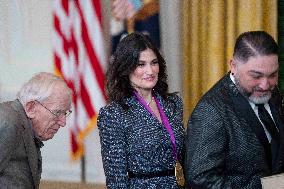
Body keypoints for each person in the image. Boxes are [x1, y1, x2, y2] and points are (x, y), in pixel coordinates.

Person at [184, 31, 284, 189]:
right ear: (233, 66)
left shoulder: (273, 92)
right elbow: (200, 179)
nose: (265, 85)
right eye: (256, 76)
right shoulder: (211, 110)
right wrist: (268, 186)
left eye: (273, 75)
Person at [98, 32, 185, 188]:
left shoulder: (173, 104)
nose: (150, 71)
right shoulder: (113, 113)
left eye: (154, 62)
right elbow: (116, 179)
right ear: (126, 68)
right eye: (141, 64)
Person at [0, 72, 72, 189]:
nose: (63, 122)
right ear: (31, 108)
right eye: (57, 112)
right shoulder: (8, 123)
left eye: (65, 113)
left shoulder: (24, 126)